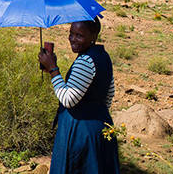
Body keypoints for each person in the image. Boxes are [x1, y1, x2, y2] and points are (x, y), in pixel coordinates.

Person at [39, 18, 119, 174]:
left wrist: (53, 70)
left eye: (79, 35)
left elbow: (68, 99)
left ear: (93, 37)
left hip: (79, 131)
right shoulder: (103, 56)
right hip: (100, 128)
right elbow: (109, 94)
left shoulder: (86, 61)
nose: (73, 39)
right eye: (71, 33)